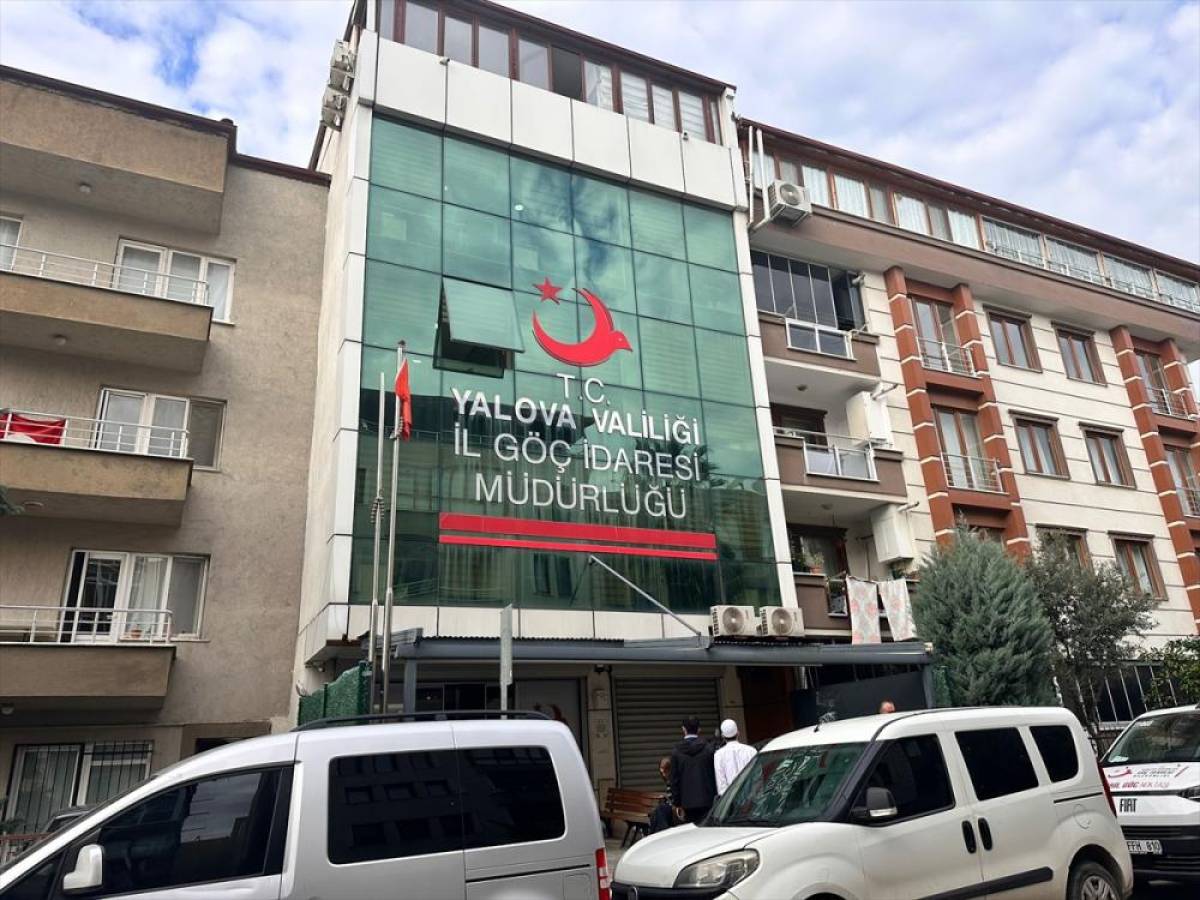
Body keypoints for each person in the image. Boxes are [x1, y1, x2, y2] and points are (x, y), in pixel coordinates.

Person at [669, 716, 717, 823]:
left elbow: (674, 780)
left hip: (687, 802)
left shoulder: (676, 752)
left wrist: (677, 802)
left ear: (683, 729)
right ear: (699, 729)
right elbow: (715, 774)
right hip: (707, 800)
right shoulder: (708, 749)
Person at [713, 719, 758, 796]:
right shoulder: (752, 751)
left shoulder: (718, 755)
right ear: (738, 733)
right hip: (751, 798)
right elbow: (757, 779)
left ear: (723, 736)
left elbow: (721, 786)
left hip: (730, 799)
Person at [649, 756, 677, 833]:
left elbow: (676, 799)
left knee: (660, 810)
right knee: (656, 813)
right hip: (671, 809)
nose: (664, 775)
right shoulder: (669, 781)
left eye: (665, 772)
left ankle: (662, 832)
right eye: (662, 773)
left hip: (677, 811)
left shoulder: (676, 780)